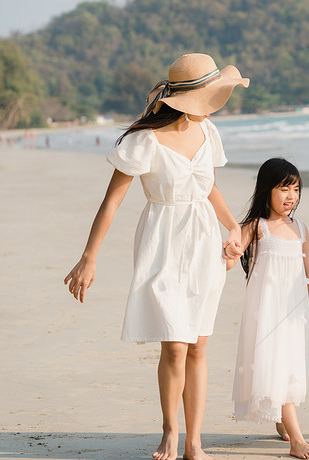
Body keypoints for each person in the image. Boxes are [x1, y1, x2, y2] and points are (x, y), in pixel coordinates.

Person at [64, 53, 249, 460]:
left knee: (199, 345)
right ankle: (170, 432)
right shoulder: (142, 139)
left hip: (203, 242)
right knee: (175, 345)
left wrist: (234, 229)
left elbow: (209, 189)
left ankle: (195, 442)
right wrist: (89, 257)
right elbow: (112, 202)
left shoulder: (209, 132)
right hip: (162, 241)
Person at [227, 158, 309, 459]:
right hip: (267, 312)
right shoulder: (257, 227)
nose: (290, 196)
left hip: (293, 312)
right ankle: (297, 439)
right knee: (276, 366)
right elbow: (232, 260)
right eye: (284, 188)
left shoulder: (300, 229)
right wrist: (230, 251)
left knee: (289, 365)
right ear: (266, 190)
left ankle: (284, 420)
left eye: (295, 189)